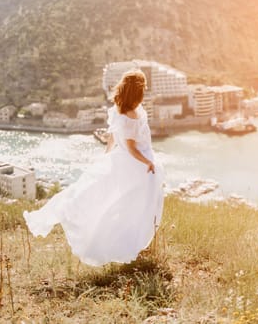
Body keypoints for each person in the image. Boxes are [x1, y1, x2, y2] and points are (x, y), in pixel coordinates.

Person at [23, 69, 164, 266]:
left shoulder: (119, 110)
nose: (146, 91)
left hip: (125, 161)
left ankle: (126, 240)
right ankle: (125, 242)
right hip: (136, 166)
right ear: (137, 92)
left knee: (119, 201)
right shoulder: (131, 115)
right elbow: (131, 147)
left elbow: (113, 136)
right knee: (138, 205)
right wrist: (148, 162)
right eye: (144, 88)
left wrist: (107, 157)